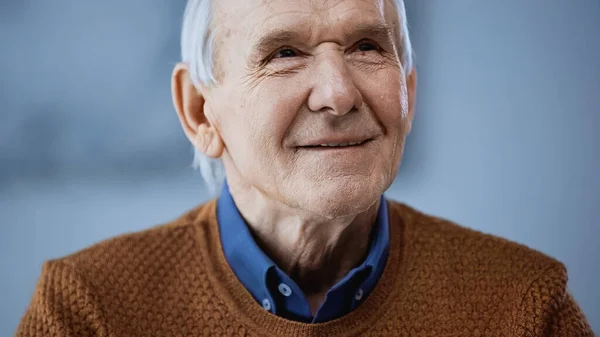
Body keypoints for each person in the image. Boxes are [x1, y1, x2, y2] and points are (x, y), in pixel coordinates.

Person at [17, 0, 594, 336]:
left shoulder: (523, 305)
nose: (338, 94)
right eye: (284, 53)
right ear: (200, 111)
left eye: (368, 46)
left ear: (408, 96)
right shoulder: (89, 310)